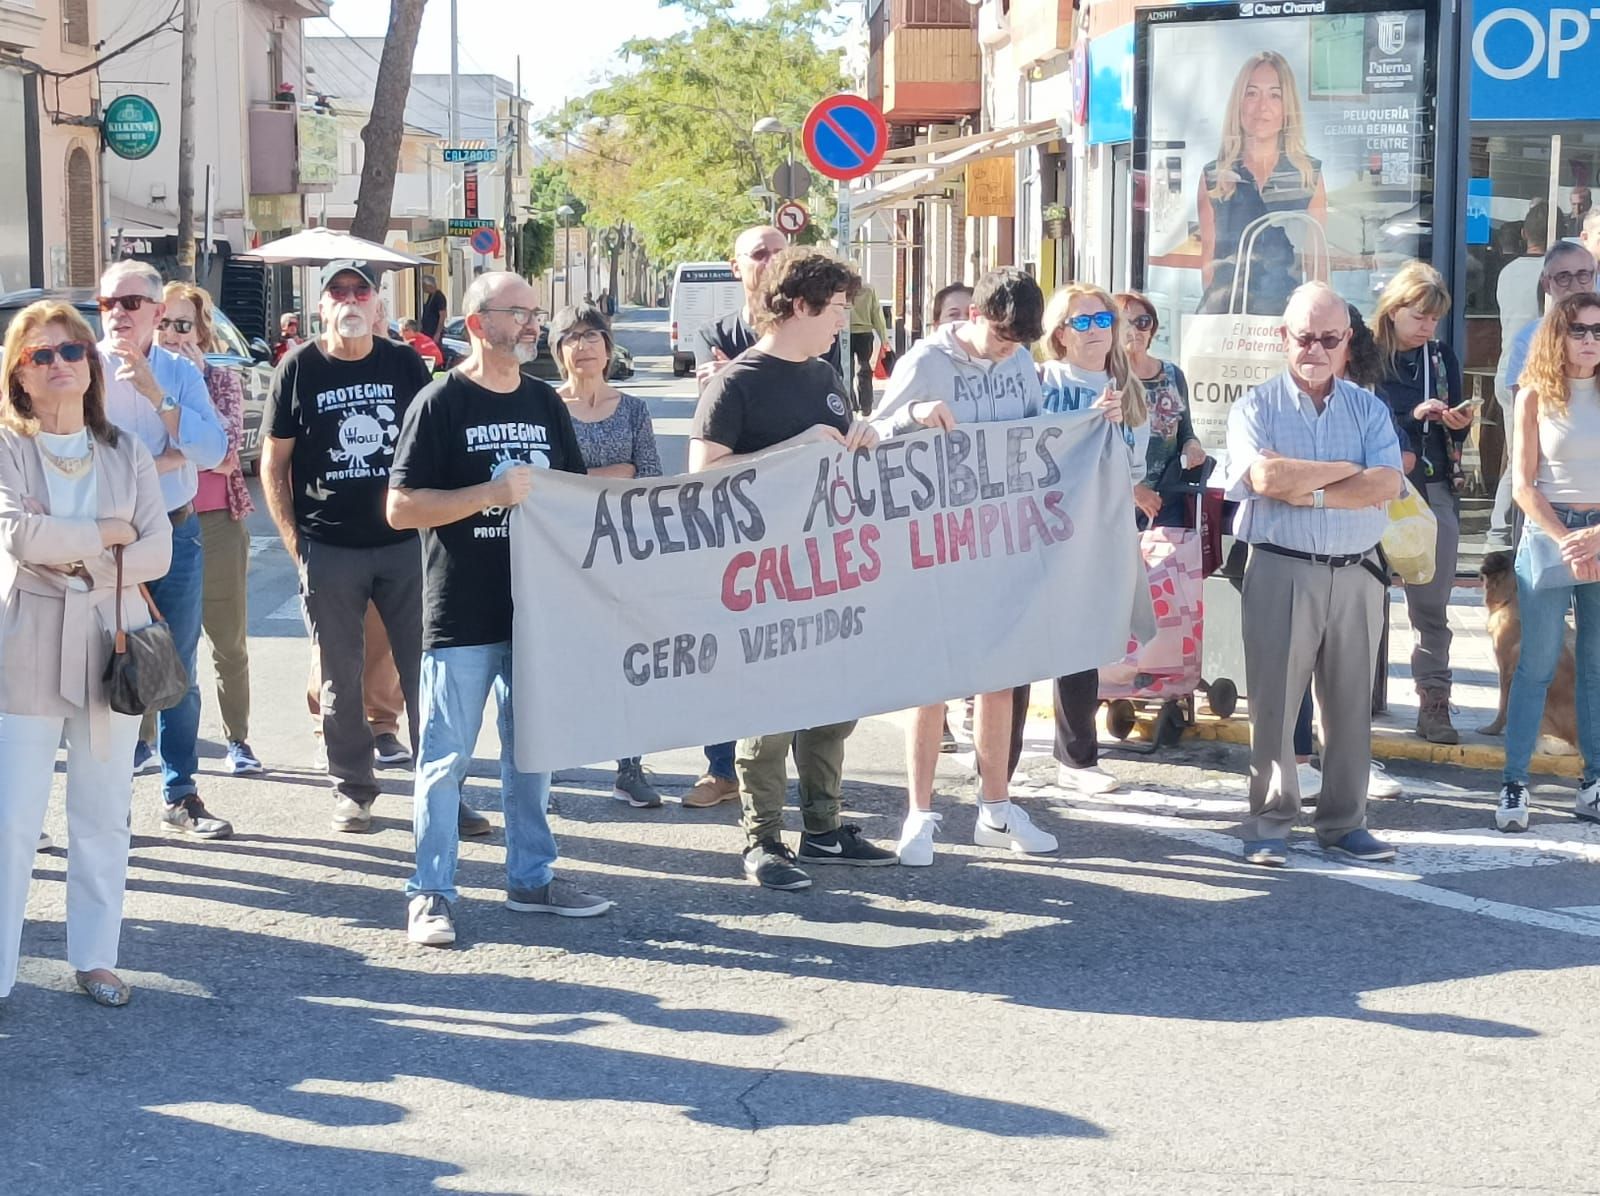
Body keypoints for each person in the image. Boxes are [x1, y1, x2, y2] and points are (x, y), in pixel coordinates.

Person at [388, 271, 612, 946]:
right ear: (480, 322)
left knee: (533, 753)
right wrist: (486, 495)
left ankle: (531, 878)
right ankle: (429, 894)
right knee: (445, 760)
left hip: (535, 613)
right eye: (521, 314)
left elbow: (571, 497)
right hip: (460, 611)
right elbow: (399, 508)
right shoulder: (439, 403)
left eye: (536, 314)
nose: (534, 325)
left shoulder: (545, 403)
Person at [689, 246, 894, 889]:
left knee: (833, 704)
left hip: (825, 566)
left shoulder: (823, 377)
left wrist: (865, 437)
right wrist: (794, 449)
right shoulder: (735, 383)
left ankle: (824, 826)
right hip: (759, 577)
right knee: (769, 714)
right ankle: (763, 838)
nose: (842, 321)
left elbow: (835, 453)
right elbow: (703, 477)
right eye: (835, 308)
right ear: (798, 305)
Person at [263, 260, 483, 836]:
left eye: (361, 290)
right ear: (322, 306)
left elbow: (433, 441)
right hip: (329, 546)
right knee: (341, 677)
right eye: (338, 292)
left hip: (405, 545)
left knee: (426, 676)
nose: (350, 300)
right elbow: (274, 462)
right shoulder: (298, 368)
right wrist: (295, 543)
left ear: (379, 305)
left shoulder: (403, 362)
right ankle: (353, 790)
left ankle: (443, 794)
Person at [0, 301, 173, 1006]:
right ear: (20, 373)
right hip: (28, 639)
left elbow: (156, 550)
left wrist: (76, 552)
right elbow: (18, 538)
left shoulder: (125, 449)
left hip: (113, 636)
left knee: (103, 811)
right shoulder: (7, 447)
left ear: (91, 367)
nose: (62, 364)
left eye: (73, 352)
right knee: (12, 815)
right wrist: (106, 532)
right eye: (43, 355)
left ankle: (97, 956)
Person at [870, 267, 1055, 865]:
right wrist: (913, 416)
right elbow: (870, 437)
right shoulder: (926, 362)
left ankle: (995, 810)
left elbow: (1036, 439)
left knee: (998, 679)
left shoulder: (1021, 364)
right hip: (934, 544)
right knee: (932, 683)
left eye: (1019, 344)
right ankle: (919, 815)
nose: (1007, 351)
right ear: (974, 316)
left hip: (998, 542)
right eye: (1001, 338)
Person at [1221, 282, 1405, 867]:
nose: (1316, 349)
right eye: (1305, 337)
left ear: (1348, 341)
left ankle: (1345, 822)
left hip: (1357, 574)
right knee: (1274, 704)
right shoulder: (1254, 407)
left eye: (1330, 338)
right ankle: (1270, 823)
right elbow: (1266, 480)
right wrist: (1344, 472)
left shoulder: (1369, 408)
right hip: (1280, 568)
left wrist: (1312, 490)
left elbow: (1387, 484)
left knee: (1351, 705)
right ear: (1284, 338)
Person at [96, 261, 232, 839]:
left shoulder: (178, 371)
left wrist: (158, 397)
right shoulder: (81, 366)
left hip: (175, 532)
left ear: (157, 311)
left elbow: (213, 448)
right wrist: (164, 458)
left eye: (130, 303)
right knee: (101, 664)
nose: (118, 314)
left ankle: (181, 793)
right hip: (102, 543)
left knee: (176, 665)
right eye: (108, 304)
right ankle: (106, 799)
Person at [683, 223, 799, 810]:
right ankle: (721, 767)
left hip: (801, 519)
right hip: (735, 520)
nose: (771, 260)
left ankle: (806, 772)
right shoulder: (716, 333)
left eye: (780, 251)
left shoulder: (817, 336)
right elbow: (718, 401)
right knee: (729, 649)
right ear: (737, 268)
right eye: (759, 254)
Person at [550, 300, 666, 810]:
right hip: (558, 556)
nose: (584, 347)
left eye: (592, 336)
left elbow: (650, 480)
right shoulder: (545, 408)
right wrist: (609, 475)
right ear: (558, 350)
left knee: (626, 663)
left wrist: (592, 482)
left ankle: (630, 767)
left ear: (608, 346)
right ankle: (543, 769)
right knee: (556, 665)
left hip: (623, 555)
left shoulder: (634, 410)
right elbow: (544, 484)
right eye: (573, 337)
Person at [1039, 283, 1153, 796]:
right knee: (1022, 648)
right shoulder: (1040, 382)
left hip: (1099, 531)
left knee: (1083, 645)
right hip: (1039, 532)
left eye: (1102, 321)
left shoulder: (1129, 392)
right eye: (1080, 323)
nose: (1094, 332)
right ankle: (997, 760)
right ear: (1059, 334)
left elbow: (1132, 469)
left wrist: (1110, 430)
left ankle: (1077, 759)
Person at [1496, 291, 1600, 833]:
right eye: (1579, 330)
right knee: (1534, 664)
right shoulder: (1534, 394)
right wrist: (1565, 539)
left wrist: (1595, 538)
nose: (1589, 341)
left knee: (1595, 663)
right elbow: (1522, 484)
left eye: (1598, 332)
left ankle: (1594, 781)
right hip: (1548, 531)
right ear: (1558, 334)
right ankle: (1515, 783)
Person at [154, 282, 262, 776]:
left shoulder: (219, 381)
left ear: (201, 331)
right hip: (156, 522)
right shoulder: (136, 380)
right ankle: (143, 742)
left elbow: (225, 453)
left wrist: (180, 448)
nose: (175, 334)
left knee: (227, 638)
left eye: (184, 325)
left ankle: (237, 738)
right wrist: (193, 446)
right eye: (165, 323)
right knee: (154, 638)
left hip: (216, 520)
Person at [1371, 262, 1473, 745]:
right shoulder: (1365, 354)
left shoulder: (1441, 358)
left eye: (1434, 318)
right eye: (1420, 316)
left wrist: (1456, 422)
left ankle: (1434, 699)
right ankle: (1352, 700)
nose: (1428, 326)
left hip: (1431, 487)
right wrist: (1410, 418)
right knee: (1359, 600)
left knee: (1431, 605)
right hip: (1371, 487)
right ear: (1393, 310)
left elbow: (1457, 428)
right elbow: (1362, 418)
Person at [1196, 51, 1327, 315]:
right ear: (1239, 103)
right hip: (1228, 317)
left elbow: (1317, 265)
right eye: (1252, 93)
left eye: (1274, 95)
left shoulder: (1308, 175)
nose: (1262, 107)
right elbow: (1209, 261)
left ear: (1287, 106)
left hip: (1288, 319)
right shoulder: (1214, 177)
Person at [1487, 240, 1596, 549]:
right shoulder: (1530, 338)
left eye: (1583, 275)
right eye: (1564, 277)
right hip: (1549, 506)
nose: (1575, 284)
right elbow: (1525, 423)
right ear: (1547, 284)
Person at [1116, 291, 1205, 528]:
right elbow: (1097, 452)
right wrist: (1134, 490)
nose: (1135, 330)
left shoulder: (1173, 374)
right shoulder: (1107, 380)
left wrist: (1192, 446)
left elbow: (1186, 431)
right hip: (1117, 505)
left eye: (1143, 322)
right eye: (1125, 323)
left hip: (1167, 503)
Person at [849, 282, 888, 415]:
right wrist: (883, 338)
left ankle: (851, 404)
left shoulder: (841, 288)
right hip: (865, 334)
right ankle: (866, 406)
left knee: (846, 371)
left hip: (845, 332)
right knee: (864, 370)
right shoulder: (868, 290)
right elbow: (876, 313)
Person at [420, 275, 447, 341]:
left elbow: (442, 315)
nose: (422, 288)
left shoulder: (439, 297)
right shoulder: (431, 296)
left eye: (424, 285)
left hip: (433, 332)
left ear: (429, 285)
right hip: (427, 331)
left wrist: (438, 333)